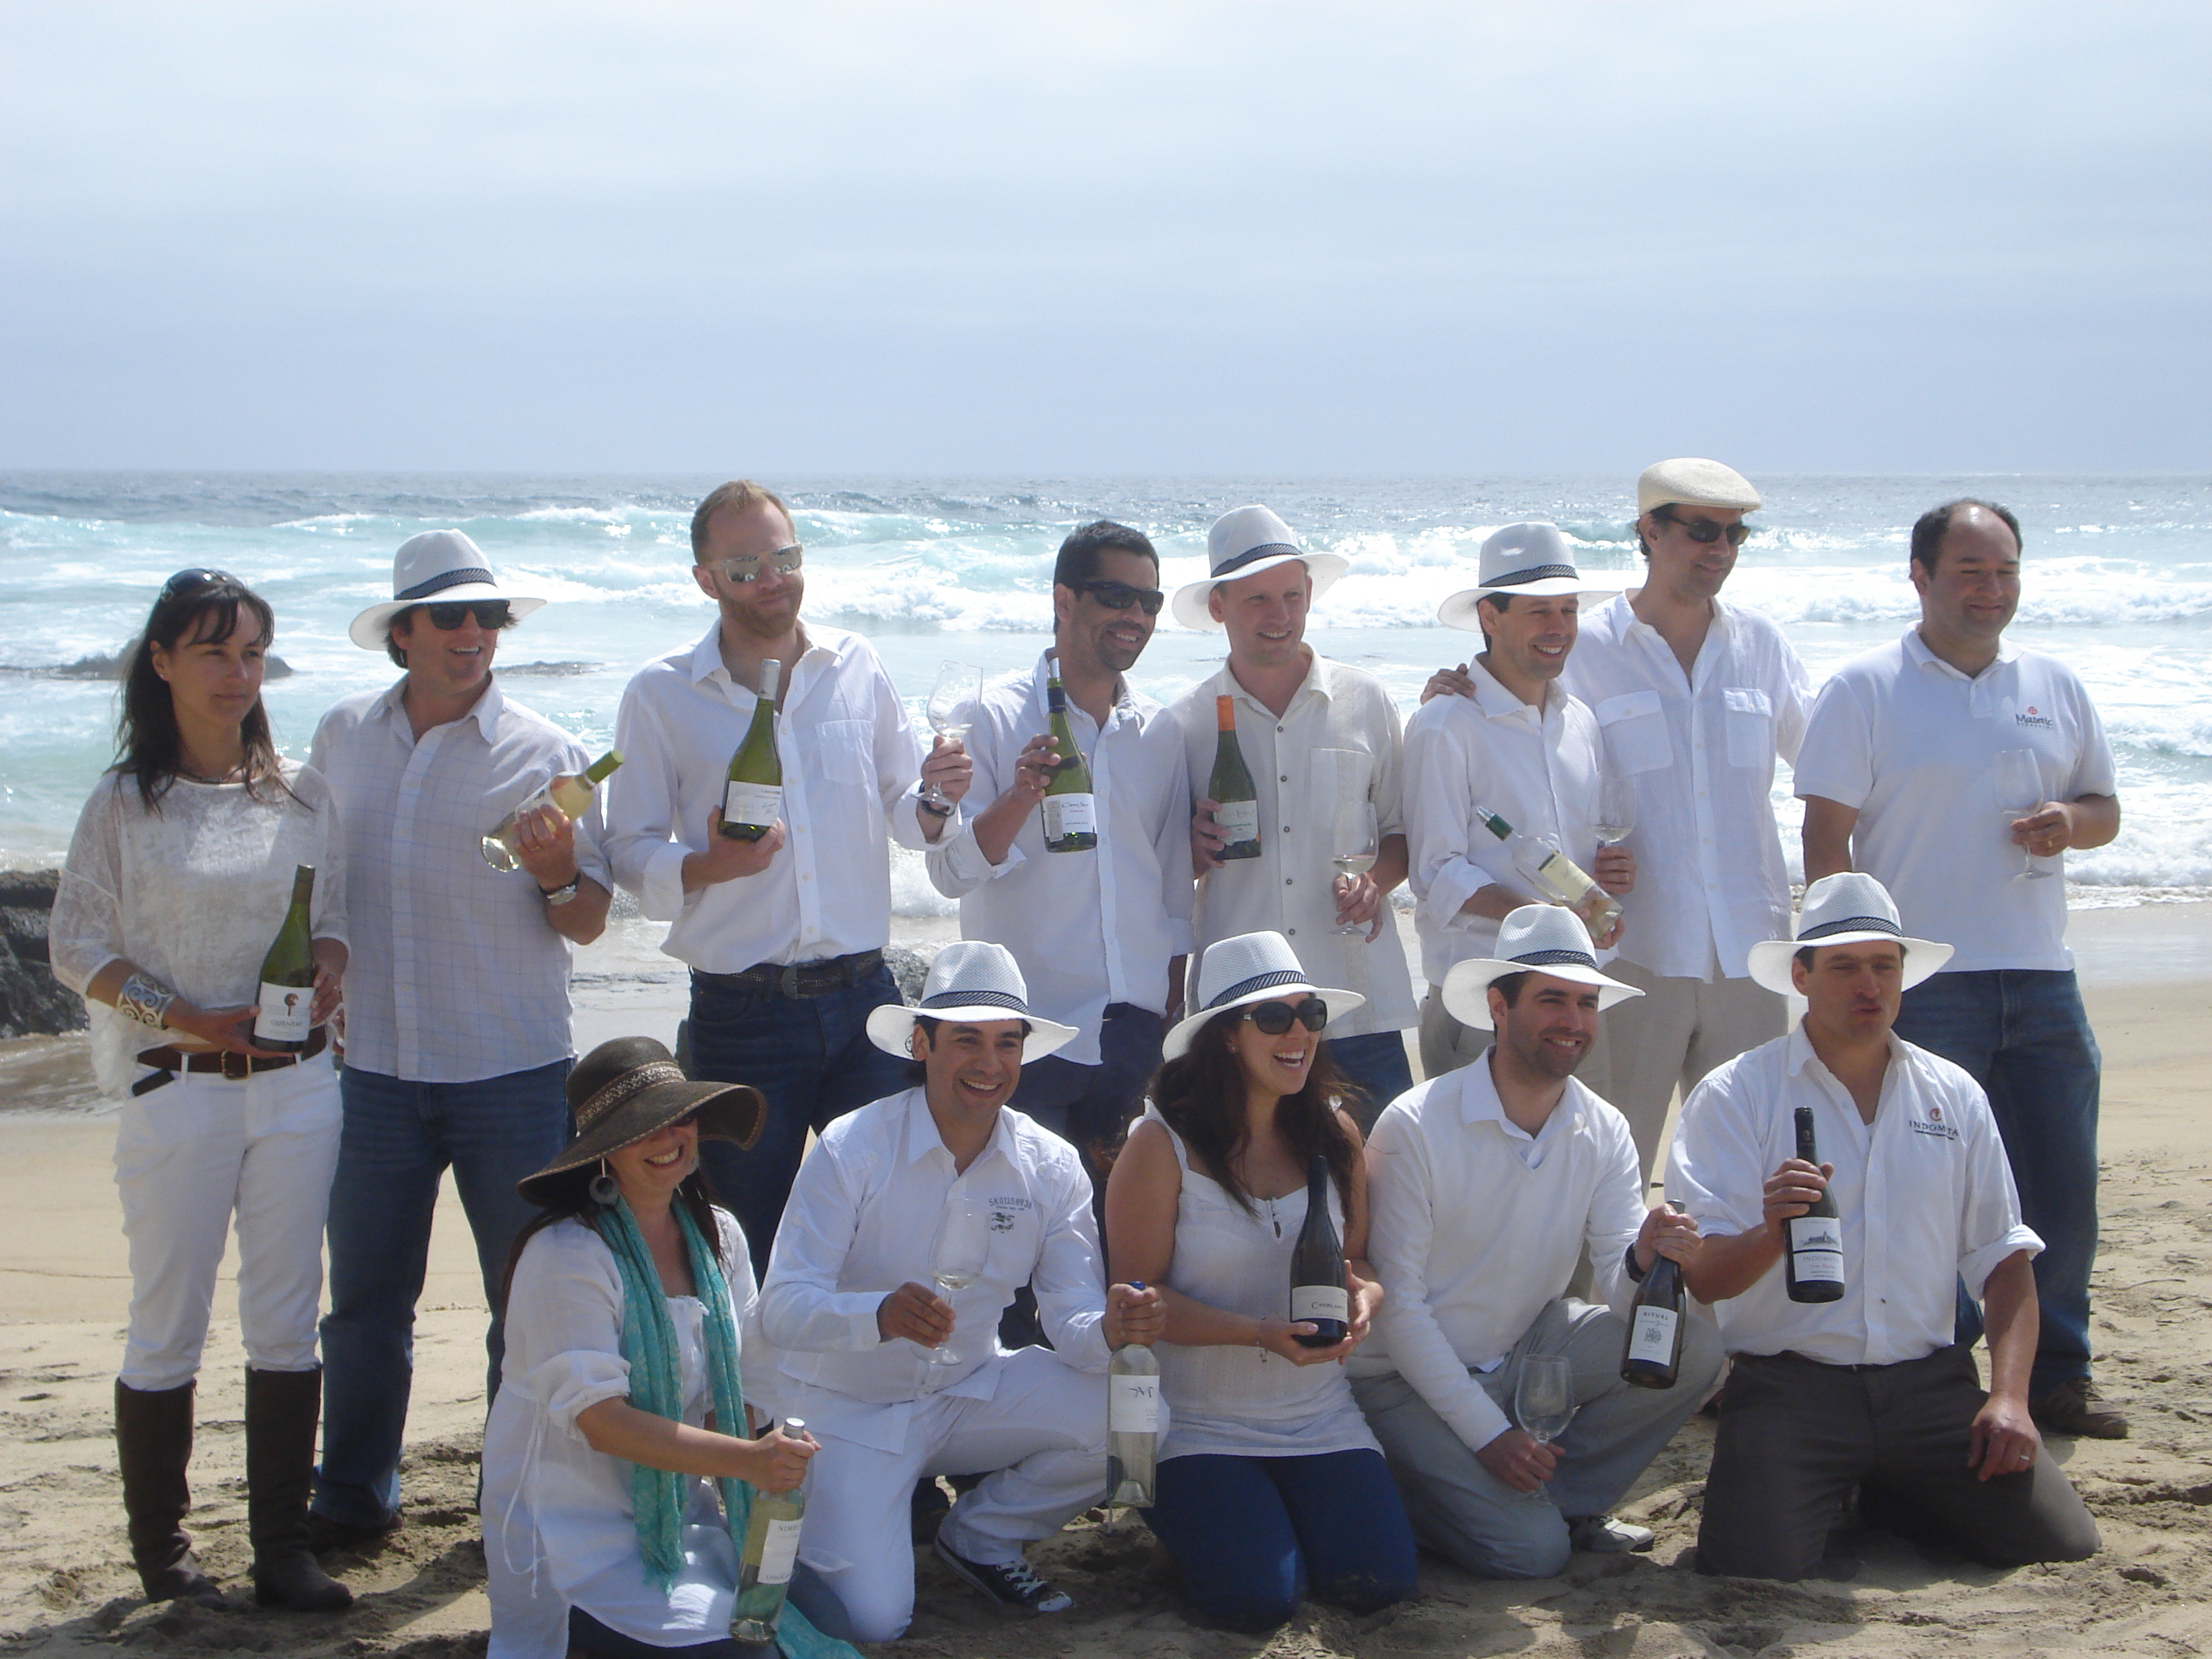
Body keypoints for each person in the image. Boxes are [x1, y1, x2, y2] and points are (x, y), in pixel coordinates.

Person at [48, 569, 353, 1611]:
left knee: (286, 1316)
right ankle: (166, 1557)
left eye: (253, 653)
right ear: (164, 662)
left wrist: (332, 974)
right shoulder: (124, 801)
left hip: (301, 1087)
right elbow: (73, 946)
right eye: (214, 651)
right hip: (177, 1085)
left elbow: (337, 918)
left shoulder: (305, 791)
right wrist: (183, 1014)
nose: (237, 673)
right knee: (166, 1320)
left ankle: (282, 1551)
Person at [1794, 499, 2126, 1439]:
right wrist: (1846, 963)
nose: (1991, 591)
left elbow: (2105, 805)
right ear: (1921, 577)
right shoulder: (1865, 687)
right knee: (1920, 1189)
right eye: (1971, 572)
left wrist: (2073, 824)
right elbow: (1827, 833)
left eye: (2005, 572)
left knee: (2061, 1185)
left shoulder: (2052, 684)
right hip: (1922, 984)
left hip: (2041, 974)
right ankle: (1932, 1370)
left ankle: (2058, 1373)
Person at [310, 529, 614, 1545]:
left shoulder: (549, 752)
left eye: (489, 616)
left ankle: (515, 1494)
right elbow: (322, 887)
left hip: (513, 1073)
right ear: (403, 634)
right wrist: (322, 962)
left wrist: (558, 869)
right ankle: (352, 1493)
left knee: (524, 1303)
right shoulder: (342, 735)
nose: (475, 633)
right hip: (375, 1073)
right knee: (362, 1303)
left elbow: (586, 920)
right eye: (451, 616)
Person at [1668, 873, 2100, 1579]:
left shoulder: (1953, 1093)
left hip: (1929, 1389)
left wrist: (2010, 1398)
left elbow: (2004, 1262)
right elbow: (1706, 1279)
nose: (1869, 985)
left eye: (1884, 965)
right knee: (1753, 1568)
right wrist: (1772, 1231)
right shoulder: (1736, 1094)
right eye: (1844, 966)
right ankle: (1856, 1483)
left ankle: (1893, 1489)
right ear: (1801, 976)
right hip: (1790, 1388)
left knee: (2061, 1541)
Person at [750, 942, 1159, 1641]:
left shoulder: (1050, 1164)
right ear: (921, 1044)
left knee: (1139, 1415)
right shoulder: (854, 1147)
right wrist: (875, 1315)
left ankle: (981, 1536)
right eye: (965, 1039)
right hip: (844, 1409)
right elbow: (783, 1306)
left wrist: (1112, 1331)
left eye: (1006, 1043)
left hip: (964, 1392)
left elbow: (1070, 1316)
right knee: (875, 1622)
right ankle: (774, 1505)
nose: (988, 1063)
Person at [607, 480, 961, 1276]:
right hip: (742, 1013)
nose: (773, 578)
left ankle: (871, 1401)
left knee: (887, 1233)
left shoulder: (855, 664)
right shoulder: (661, 692)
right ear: (705, 580)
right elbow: (625, 848)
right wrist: (708, 865)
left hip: (866, 998)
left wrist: (940, 794)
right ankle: (755, 1404)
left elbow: (906, 814)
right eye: (745, 566)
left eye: (785, 557)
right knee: (744, 1243)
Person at [1351, 904, 1721, 1578]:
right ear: (1498, 1006)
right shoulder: (1417, 1123)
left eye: (1586, 1003)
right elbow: (1400, 1308)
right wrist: (1490, 1438)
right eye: (1552, 1000)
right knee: (1530, 1556)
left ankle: (1556, 1503)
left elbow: (1616, 1281)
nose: (1574, 1023)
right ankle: (1436, 1495)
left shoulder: (1602, 1126)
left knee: (1691, 1340)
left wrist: (1643, 1256)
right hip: (1403, 1381)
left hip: (1527, 1354)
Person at [482, 1037, 861, 1659]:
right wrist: (747, 1461)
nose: (666, 1140)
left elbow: (735, 1391)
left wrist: (762, 1470)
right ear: (601, 1149)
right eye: (642, 1129)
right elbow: (602, 1424)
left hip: (690, 1514)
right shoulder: (566, 1255)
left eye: (678, 1118)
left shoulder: (721, 1237)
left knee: (829, 1625)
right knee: (748, 1651)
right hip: (572, 1531)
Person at [1105, 930, 1418, 1632]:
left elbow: (1359, 1262)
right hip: (1193, 1424)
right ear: (1223, 1038)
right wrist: (1256, 1335)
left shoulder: (1335, 1132)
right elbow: (1135, 1305)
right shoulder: (1161, 1145)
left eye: (1310, 1015)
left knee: (1379, 1584)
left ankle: (1257, 1524)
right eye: (1273, 1018)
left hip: (1319, 1417)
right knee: (1259, 1602)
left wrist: (1365, 1298)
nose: (1299, 1033)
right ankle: (1194, 1527)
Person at [1552, 459, 1811, 1184]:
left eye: (1735, 535)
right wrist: (1457, 686)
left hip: (1750, 953)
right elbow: (1525, 762)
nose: (1720, 550)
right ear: (1649, 531)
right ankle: (1620, 1303)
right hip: (1635, 951)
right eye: (1701, 531)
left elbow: (1830, 763)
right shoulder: (1583, 647)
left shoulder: (1762, 646)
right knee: (1614, 1170)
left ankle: (1725, 1306)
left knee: (1750, 1174)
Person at [923, 520, 1192, 1180]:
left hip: (1132, 1024)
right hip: (1025, 1026)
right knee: (1012, 1234)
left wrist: (1171, 1010)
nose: (1135, 615)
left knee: (1115, 1235)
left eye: (1149, 602)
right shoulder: (986, 716)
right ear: (1063, 599)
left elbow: (1173, 884)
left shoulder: (1160, 731)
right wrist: (1020, 796)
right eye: (1116, 596)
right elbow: (948, 873)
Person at [1167, 506, 1419, 1123]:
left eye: (1290, 595)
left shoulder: (1367, 700)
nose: (1278, 616)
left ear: (1309, 595)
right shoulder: (1183, 724)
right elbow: (1157, 873)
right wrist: (1191, 851)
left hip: (1359, 1001)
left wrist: (1374, 884)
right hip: (1241, 1015)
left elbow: (1403, 833)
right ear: (1220, 607)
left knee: (1381, 1192)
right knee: (1250, 1200)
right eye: (1256, 599)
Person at [1403, 523, 1634, 1084]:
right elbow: (1436, 874)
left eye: (1568, 611)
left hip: (1581, 995)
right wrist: (1543, 919)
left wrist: (1610, 870)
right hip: (1482, 1000)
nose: (1558, 629)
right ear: (1490, 617)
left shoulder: (1579, 721)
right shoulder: (1443, 725)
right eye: (1539, 612)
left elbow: (1586, 846)